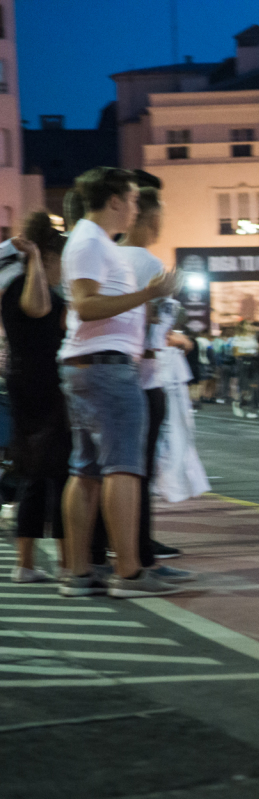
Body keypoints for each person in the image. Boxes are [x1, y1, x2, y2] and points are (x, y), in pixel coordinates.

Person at [58, 167, 181, 598]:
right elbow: (86, 305)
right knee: (123, 468)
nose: (136, 208)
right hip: (106, 369)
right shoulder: (91, 241)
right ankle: (127, 572)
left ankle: (78, 572)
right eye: (130, 200)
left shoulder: (91, 241)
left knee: (86, 471)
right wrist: (149, 294)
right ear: (113, 201)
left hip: (89, 366)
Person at [88, 185, 197, 582]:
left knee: (98, 470)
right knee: (135, 471)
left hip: (112, 370)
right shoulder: (147, 262)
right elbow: (150, 321)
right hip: (143, 377)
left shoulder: (112, 255)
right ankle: (139, 555)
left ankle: (101, 553)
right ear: (152, 219)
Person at [1, 213, 70, 582]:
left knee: (32, 472)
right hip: (42, 384)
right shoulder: (26, 286)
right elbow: (39, 309)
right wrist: (37, 263)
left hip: (26, 382)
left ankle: (26, 564)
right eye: (61, 262)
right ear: (49, 258)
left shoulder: (14, 282)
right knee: (56, 473)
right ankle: (63, 563)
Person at [230, 321, 259, 418]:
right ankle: (237, 404)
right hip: (243, 362)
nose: (249, 326)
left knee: (254, 385)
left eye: (250, 324)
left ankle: (251, 409)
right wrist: (248, 354)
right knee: (244, 387)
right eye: (247, 324)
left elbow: (257, 349)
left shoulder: (253, 336)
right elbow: (236, 353)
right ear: (242, 326)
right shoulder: (238, 337)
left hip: (254, 362)